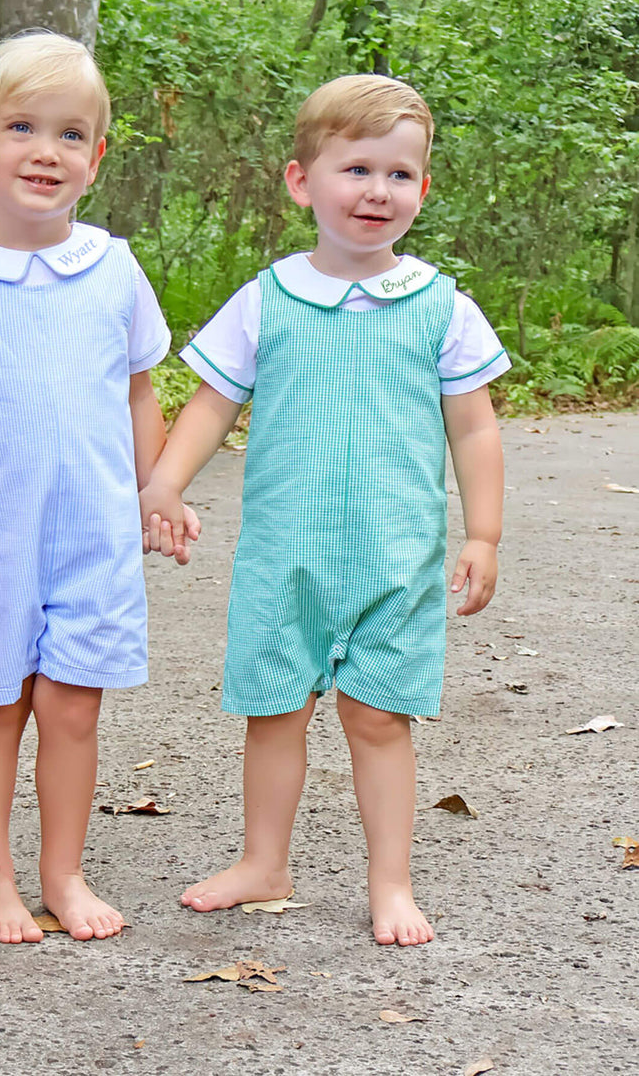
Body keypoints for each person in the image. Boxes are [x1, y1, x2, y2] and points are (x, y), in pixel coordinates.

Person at [140, 74, 508, 946]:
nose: (378, 192)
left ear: (423, 188)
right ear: (302, 180)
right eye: (356, 169)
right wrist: (164, 481)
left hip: (396, 559)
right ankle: (263, 860)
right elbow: (209, 403)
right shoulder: (267, 299)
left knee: (379, 718)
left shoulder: (440, 306)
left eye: (400, 174)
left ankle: (391, 883)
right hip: (286, 556)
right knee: (276, 711)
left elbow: (476, 429)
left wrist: (483, 533)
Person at [0, 31, 196, 944]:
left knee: (72, 705)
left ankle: (63, 871)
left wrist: (160, 487)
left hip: (94, 534)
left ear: (96, 155)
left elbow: (138, 390)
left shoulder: (113, 268)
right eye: (21, 128)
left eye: (68, 134)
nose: (43, 152)